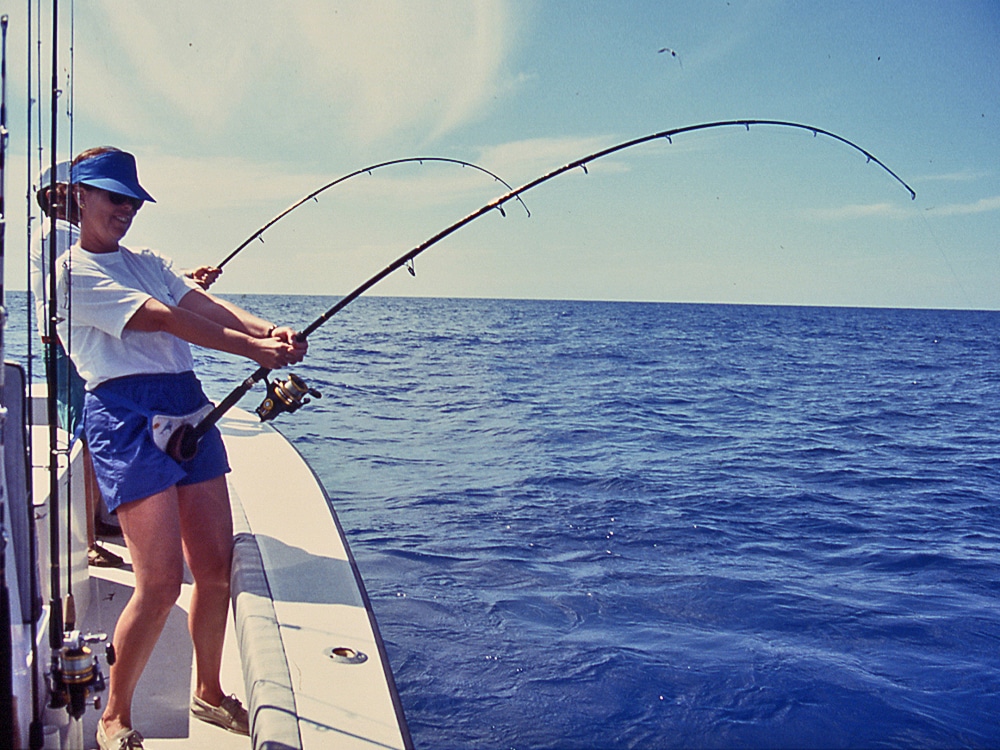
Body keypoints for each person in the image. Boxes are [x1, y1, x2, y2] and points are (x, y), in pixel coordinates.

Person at [56, 146, 308, 750]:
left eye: (133, 201)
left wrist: (264, 329)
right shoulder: (70, 273)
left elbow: (200, 304)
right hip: (125, 416)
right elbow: (164, 319)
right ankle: (115, 715)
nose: (125, 210)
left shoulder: (147, 260)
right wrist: (252, 353)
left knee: (215, 571)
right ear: (80, 197)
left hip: (188, 404)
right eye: (114, 197)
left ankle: (209, 691)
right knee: (162, 581)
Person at [30, 162, 125, 567]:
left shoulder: (65, 234)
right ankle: (83, 538)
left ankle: (95, 521)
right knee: (83, 438)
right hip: (68, 347)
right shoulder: (59, 234)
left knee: (91, 433)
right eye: (63, 192)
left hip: (76, 346)